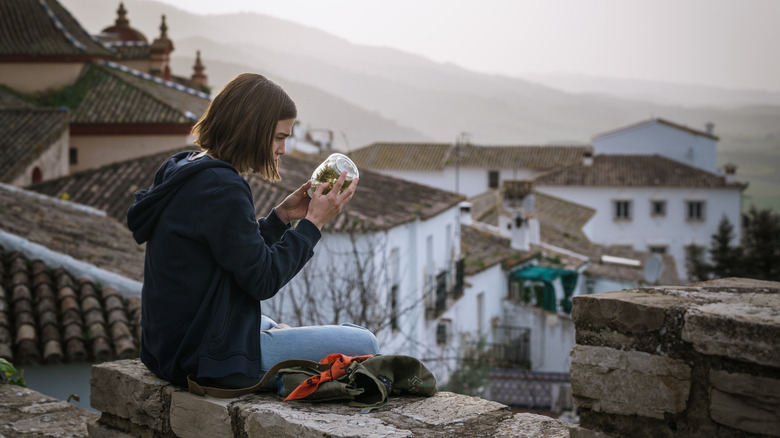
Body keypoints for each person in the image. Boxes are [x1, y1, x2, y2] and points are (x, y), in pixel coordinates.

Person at [126, 73, 380, 389]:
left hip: (168, 348)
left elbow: (235, 253)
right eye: (278, 137)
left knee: (276, 327)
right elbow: (263, 280)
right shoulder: (224, 188)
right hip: (206, 358)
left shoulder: (183, 167)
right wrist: (313, 224)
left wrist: (282, 217)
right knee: (364, 343)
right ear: (251, 131)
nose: (283, 149)